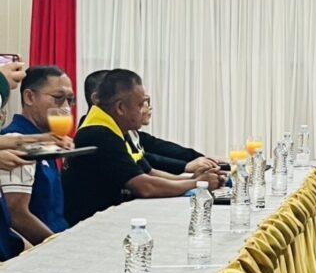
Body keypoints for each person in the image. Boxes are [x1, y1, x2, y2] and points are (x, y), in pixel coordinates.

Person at [62, 69, 222, 225]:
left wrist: (191, 179)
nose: (145, 110)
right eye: (140, 105)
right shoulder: (99, 134)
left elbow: (148, 172)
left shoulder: (114, 126)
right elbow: (145, 186)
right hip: (89, 224)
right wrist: (197, 183)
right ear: (120, 108)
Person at [0, 66, 76, 234]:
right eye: (58, 98)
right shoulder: (14, 139)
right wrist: (59, 244)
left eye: (70, 100)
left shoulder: (46, 139)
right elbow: (16, 214)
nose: (66, 107)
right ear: (29, 97)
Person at [131, 96, 219, 175]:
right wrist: (185, 167)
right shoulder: (124, 139)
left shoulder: (136, 135)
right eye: (143, 102)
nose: (149, 107)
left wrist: (202, 158)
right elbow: (148, 161)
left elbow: (165, 148)